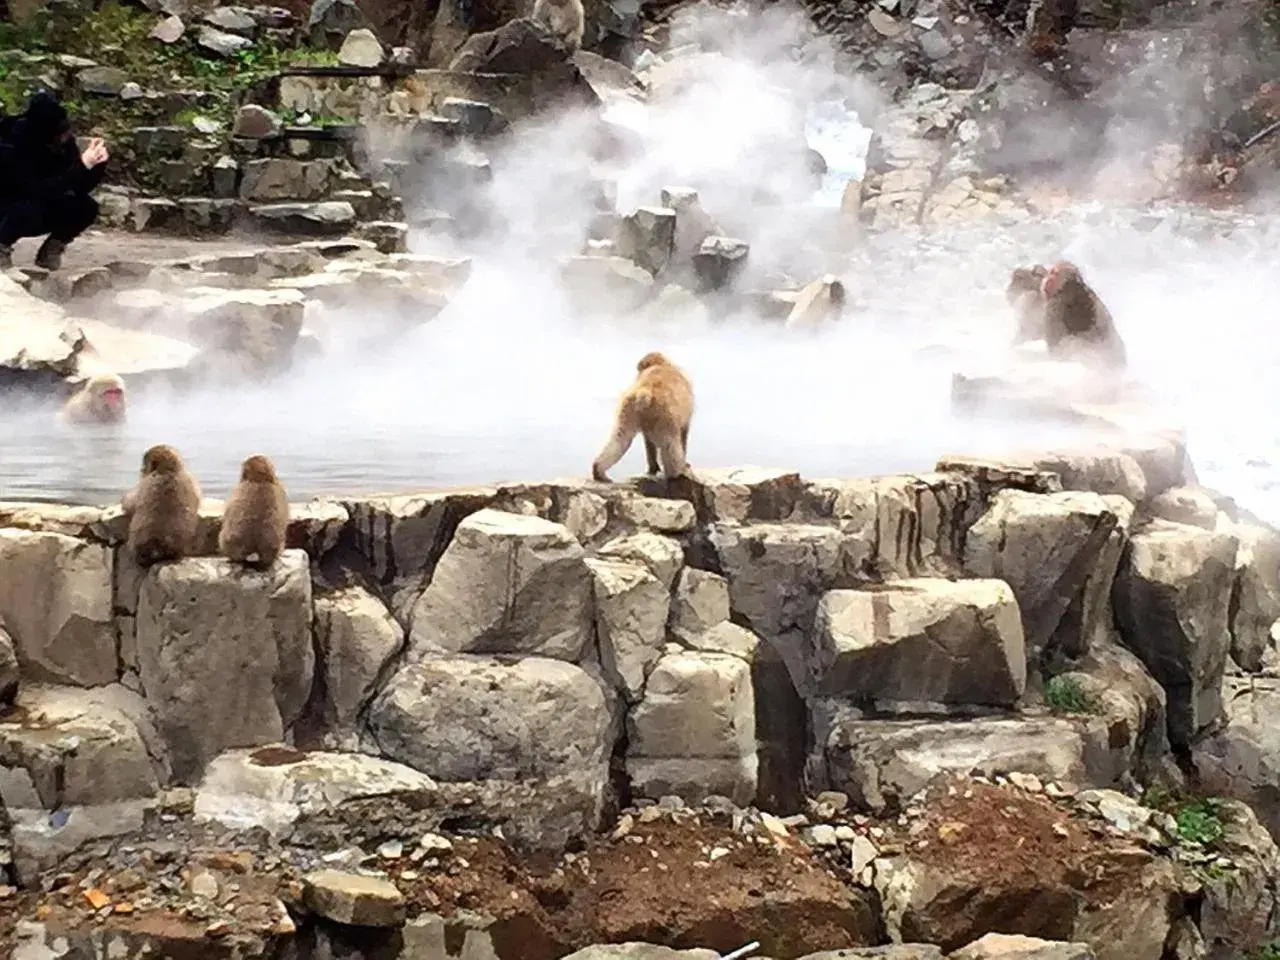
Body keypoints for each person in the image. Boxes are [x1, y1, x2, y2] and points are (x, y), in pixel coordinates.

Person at [0, 91, 109, 272]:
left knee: (86, 207)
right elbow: (35, 190)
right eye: (61, 134)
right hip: (10, 205)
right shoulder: (12, 144)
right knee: (25, 209)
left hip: (39, 201)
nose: (66, 137)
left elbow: (77, 187)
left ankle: (51, 250)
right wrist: (81, 166)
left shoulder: (62, 143)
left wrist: (95, 166)